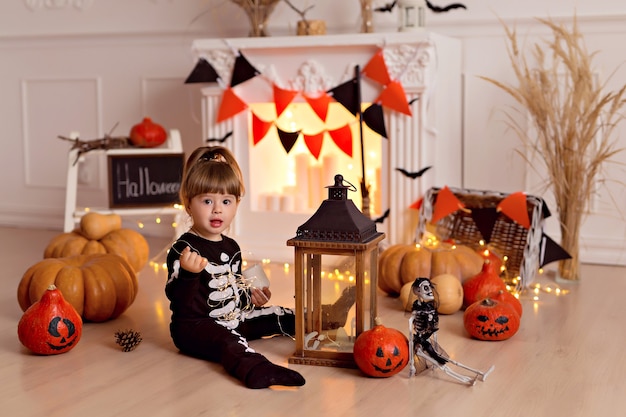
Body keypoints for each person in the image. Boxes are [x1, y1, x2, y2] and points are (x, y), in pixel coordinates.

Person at [165, 146, 305, 389]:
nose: (217, 209)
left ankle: (314, 323)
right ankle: (257, 369)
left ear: (236, 205)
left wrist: (250, 298)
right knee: (228, 342)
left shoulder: (232, 247)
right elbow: (180, 304)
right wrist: (189, 275)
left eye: (226, 201)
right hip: (196, 328)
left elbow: (233, 292)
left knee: (276, 314)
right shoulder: (184, 249)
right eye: (207, 200)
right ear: (188, 204)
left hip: (233, 318)